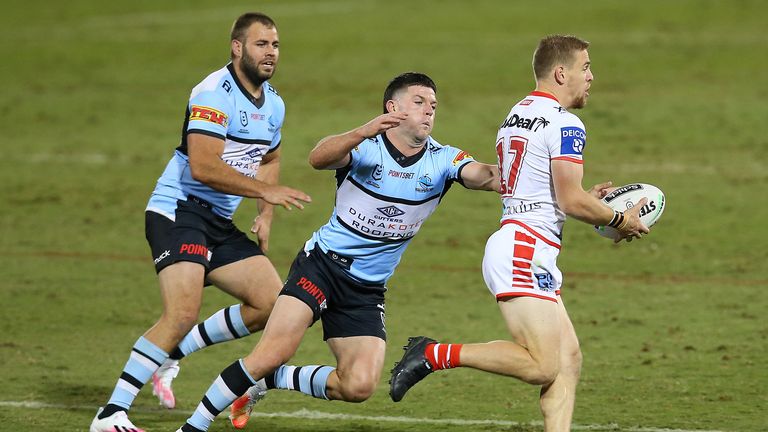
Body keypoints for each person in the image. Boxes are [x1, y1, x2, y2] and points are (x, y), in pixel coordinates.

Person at [172, 72, 500, 432]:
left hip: (366, 289)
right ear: (392, 108)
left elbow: (483, 175)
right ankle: (192, 426)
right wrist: (363, 130)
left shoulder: (443, 159)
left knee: (359, 385)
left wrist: (521, 170)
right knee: (268, 355)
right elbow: (317, 157)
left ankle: (270, 382)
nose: (428, 111)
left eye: (433, 106)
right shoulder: (365, 147)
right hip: (322, 267)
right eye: (419, 102)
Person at [388, 35, 650, 432]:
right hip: (524, 248)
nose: (591, 77)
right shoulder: (566, 123)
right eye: (585, 68)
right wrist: (619, 219)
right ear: (561, 73)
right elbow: (569, 201)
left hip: (524, 245)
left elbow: (548, 189)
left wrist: (586, 199)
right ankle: (434, 353)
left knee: (568, 360)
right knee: (542, 366)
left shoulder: (518, 113)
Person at [89, 12, 311, 432]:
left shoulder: (274, 103)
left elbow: (271, 156)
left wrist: (264, 216)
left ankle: (172, 355)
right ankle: (111, 412)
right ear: (237, 47)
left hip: (218, 221)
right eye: (261, 44)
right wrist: (264, 193)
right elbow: (203, 166)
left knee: (272, 305)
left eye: (276, 45)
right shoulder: (213, 92)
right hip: (179, 210)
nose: (270, 53)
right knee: (182, 312)